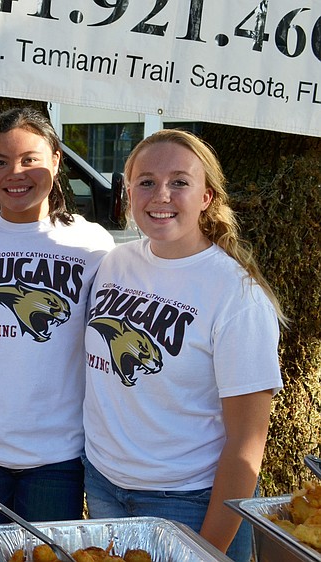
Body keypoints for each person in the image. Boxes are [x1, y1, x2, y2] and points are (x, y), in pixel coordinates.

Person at [83, 129, 285, 562]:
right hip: (103, 483)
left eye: (179, 182)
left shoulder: (237, 296)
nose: (161, 195)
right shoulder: (116, 264)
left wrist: (207, 550)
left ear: (207, 196)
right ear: (129, 190)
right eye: (147, 182)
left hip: (188, 502)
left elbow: (247, 442)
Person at [0, 107, 114, 527]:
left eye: (29, 159)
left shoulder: (92, 243)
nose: (14, 173)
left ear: (56, 160)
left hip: (58, 451)